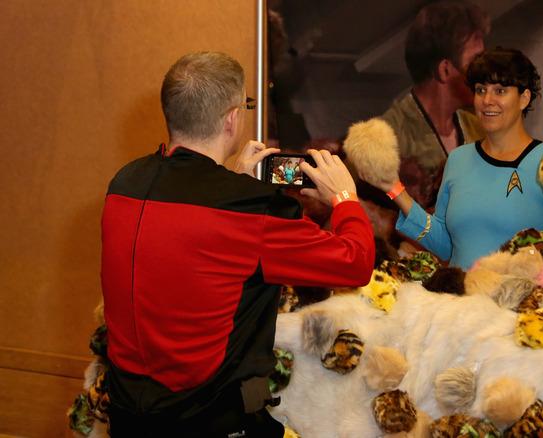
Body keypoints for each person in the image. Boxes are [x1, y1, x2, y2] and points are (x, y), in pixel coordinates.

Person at [100, 51, 374, 437]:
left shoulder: (123, 184)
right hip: (213, 419)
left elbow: (187, 252)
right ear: (232, 118)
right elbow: (356, 262)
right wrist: (345, 197)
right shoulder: (248, 209)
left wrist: (233, 183)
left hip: (129, 415)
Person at [364, 48, 543, 269]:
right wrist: (394, 188)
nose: (487, 100)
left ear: (524, 99)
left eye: (500, 91)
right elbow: (445, 245)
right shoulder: (458, 159)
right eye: (481, 90)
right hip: (463, 302)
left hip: (524, 303)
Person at [376, 0, 490, 209]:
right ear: (445, 70)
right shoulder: (384, 138)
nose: (486, 72)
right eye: (477, 61)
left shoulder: (480, 128)